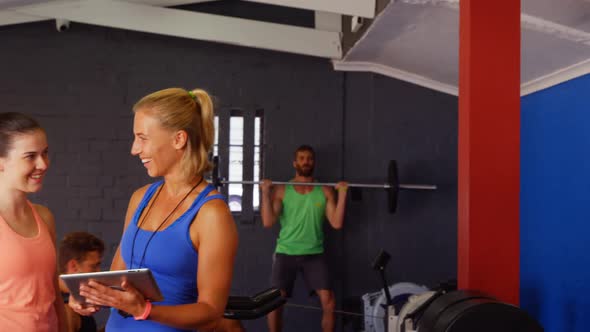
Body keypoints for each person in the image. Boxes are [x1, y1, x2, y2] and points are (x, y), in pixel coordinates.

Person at [68, 88, 239, 332]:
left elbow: (211, 313)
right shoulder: (140, 198)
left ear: (178, 139)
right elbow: (116, 278)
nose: (134, 149)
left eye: (143, 138)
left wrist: (144, 310)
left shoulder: (211, 214)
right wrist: (92, 296)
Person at [260, 145, 348, 332]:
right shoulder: (282, 190)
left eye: (309, 158)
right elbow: (268, 222)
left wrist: (342, 195)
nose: (305, 161)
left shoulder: (324, 191)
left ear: (313, 162)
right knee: (274, 303)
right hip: (286, 252)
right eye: (301, 158)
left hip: (314, 254)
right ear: (295, 163)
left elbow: (336, 223)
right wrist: (265, 193)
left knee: (329, 302)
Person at [0, 112, 67, 331]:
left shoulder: (44, 217)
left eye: (45, 153)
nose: (43, 164)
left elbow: (54, 293)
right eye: (30, 156)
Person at [58, 232, 105, 332]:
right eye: (93, 266)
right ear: (74, 266)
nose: (98, 271)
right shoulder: (66, 310)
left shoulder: (74, 297)